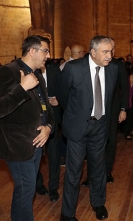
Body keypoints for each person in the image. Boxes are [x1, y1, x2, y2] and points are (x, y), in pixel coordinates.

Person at [57, 36, 118, 221]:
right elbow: (63, 96)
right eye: (105, 52)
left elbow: (109, 97)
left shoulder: (113, 69)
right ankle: (67, 214)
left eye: (112, 51)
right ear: (93, 52)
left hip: (100, 126)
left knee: (98, 168)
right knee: (74, 172)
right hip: (78, 127)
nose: (110, 55)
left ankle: (98, 203)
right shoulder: (73, 68)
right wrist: (77, 115)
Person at [0, 35, 54, 221]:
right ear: (32, 51)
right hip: (18, 146)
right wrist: (22, 89)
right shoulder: (8, 72)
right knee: (26, 190)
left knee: (26, 190)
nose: (48, 55)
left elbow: (47, 109)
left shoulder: (39, 76)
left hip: (37, 144)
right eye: (45, 51)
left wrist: (48, 127)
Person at [81, 38, 129, 187]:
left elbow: (125, 88)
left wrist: (123, 109)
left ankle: (107, 172)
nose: (111, 52)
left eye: (112, 49)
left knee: (110, 142)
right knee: (92, 145)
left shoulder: (117, 66)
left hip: (112, 111)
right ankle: (91, 175)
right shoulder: (88, 64)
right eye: (107, 49)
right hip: (93, 112)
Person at [35, 59, 63, 202]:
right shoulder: (28, 72)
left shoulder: (54, 69)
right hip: (34, 122)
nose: (47, 55)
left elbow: (63, 89)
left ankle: (53, 188)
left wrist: (59, 100)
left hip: (52, 119)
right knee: (36, 157)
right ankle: (38, 184)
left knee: (53, 156)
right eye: (45, 51)